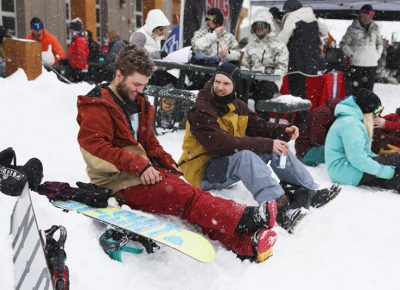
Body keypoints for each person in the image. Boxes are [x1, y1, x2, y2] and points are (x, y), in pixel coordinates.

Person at [76, 44, 279, 263]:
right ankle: (244, 218)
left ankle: (247, 244)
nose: (140, 90)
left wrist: (165, 161)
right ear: (118, 75)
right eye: (136, 84)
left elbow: (148, 141)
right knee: (186, 198)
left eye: (144, 85)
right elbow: (96, 150)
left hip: (142, 172)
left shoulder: (138, 101)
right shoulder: (98, 104)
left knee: (191, 200)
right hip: (115, 182)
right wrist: (140, 165)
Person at [178, 63, 341, 232]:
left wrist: (283, 131)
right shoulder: (202, 110)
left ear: (234, 86)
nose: (220, 87)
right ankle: (279, 208)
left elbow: (258, 125)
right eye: (217, 82)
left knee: (277, 149)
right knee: (245, 157)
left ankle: (311, 191)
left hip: (224, 163)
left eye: (226, 83)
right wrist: (267, 143)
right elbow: (221, 144)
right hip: (202, 171)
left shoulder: (237, 105)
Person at [325, 88, 400, 192]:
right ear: (367, 110)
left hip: (345, 171)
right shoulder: (351, 124)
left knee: (395, 179)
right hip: (346, 171)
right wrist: (385, 171)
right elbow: (358, 160)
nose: (378, 115)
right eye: (377, 111)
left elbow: (362, 155)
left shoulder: (352, 120)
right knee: (395, 159)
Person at [278, 0, 328, 124]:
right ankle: (303, 119)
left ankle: (303, 120)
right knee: (301, 91)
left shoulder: (292, 17)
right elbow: (325, 31)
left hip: (296, 59)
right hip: (311, 60)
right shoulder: (312, 16)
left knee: (296, 91)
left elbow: (282, 38)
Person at [241, 10, 288, 104]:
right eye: (256, 25)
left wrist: (266, 73)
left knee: (262, 89)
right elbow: (244, 63)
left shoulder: (279, 45)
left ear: (269, 26)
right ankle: (242, 113)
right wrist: (246, 73)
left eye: (262, 25)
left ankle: (261, 117)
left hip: (270, 81)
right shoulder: (250, 45)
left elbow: (282, 68)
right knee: (239, 85)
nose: (259, 28)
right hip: (251, 79)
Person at [340, 5, 383, 94]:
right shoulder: (352, 28)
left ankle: (367, 107)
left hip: (371, 65)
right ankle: (356, 107)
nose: (371, 16)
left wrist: (377, 55)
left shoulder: (375, 28)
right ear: (362, 14)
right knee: (355, 90)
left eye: (372, 13)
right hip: (357, 65)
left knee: (369, 92)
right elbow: (343, 44)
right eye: (369, 13)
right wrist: (352, 55)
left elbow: (380, 43)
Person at [295, 98, 341, 166]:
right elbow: (316, 139)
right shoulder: (323, 113)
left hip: (306, 148)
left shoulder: (330, 111)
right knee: (338, 151)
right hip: (306, 152)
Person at [66, 18, 89, 82]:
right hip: (74, 69)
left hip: (78, 71)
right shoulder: (76, 39)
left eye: (70, 30)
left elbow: (82, 56)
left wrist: (78, 70)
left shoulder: (79, 40)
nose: (70, 32)